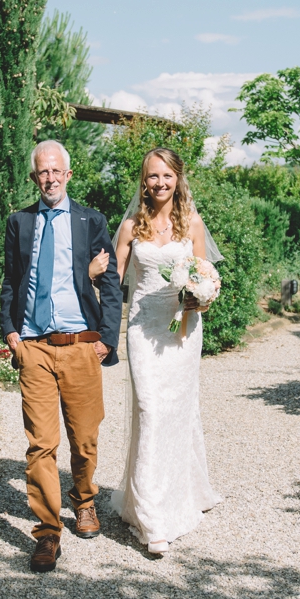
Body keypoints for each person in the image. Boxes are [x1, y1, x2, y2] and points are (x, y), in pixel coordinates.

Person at [0, 140, 122, 573]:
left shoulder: (90, 221)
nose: (49, 178)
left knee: (84, 438)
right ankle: (48, 531)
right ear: (34, 178)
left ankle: (84, 500)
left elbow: (111, 285)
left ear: (68, 175)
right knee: (41, 444)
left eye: (56, 171)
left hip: (80, 346)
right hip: (33, 347)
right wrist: (11, 332)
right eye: (41, 173)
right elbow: (11, 281)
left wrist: (106, 339)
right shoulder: (20, 222)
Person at [108, 147, 223, 555]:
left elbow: (207, 279)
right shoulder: (129, 227)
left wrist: (200, 299)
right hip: (141, 328)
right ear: (144, 180)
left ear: (178, 179)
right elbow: (110, 282)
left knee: (178, 412)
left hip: (182, 332)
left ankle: (184, 492)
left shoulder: (191, 224)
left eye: (167, 176)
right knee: (150, 412)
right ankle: (153, 517)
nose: (159, 183)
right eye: (152, 176)